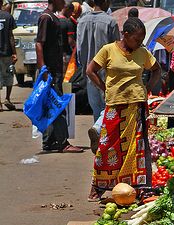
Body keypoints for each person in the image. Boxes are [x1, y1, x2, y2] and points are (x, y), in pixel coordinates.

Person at [86, 17, 161, 201]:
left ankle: (139, 186)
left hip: (137, 105)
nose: (139, 43)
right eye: (136, 39)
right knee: (107, 146)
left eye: (141, 40)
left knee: (138, 148)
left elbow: (156, 69)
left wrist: (148, 88)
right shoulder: (108, 50)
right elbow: (90, 70)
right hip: (114, 105)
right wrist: (104, 88)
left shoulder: (143, 52)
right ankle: (99, 185)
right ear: (125, 35)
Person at [36, 0, 83, 152]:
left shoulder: (52, 17)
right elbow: (39, 44)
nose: (63, 3)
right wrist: (43, 68)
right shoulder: (46, 18)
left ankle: (49, 142)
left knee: (50, 105)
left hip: (54, 70)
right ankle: (63, 143)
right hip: (49, 71)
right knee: (57, 105)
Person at [77, 0, 120, 124]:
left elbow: (80, 51)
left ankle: (98, 138)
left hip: (89, 73)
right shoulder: (110, 21)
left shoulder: (82, 21)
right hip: (107, 74)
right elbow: (116, 50)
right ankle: (101, 135)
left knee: (96, 109)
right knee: (108, 110)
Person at [0, 0, 17, 111]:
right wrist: (14, 52)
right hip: (6, 52)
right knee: (9, 74)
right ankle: (7, 98)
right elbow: (11, 36)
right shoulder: (8, 16)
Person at [58, 0, 74, 74]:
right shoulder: (68, 23)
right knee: (66, 77)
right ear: (67, 9)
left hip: (56, 54)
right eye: (71, 11)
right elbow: (70, 42)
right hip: (66, 55)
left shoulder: (54, 20)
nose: (71, 14)